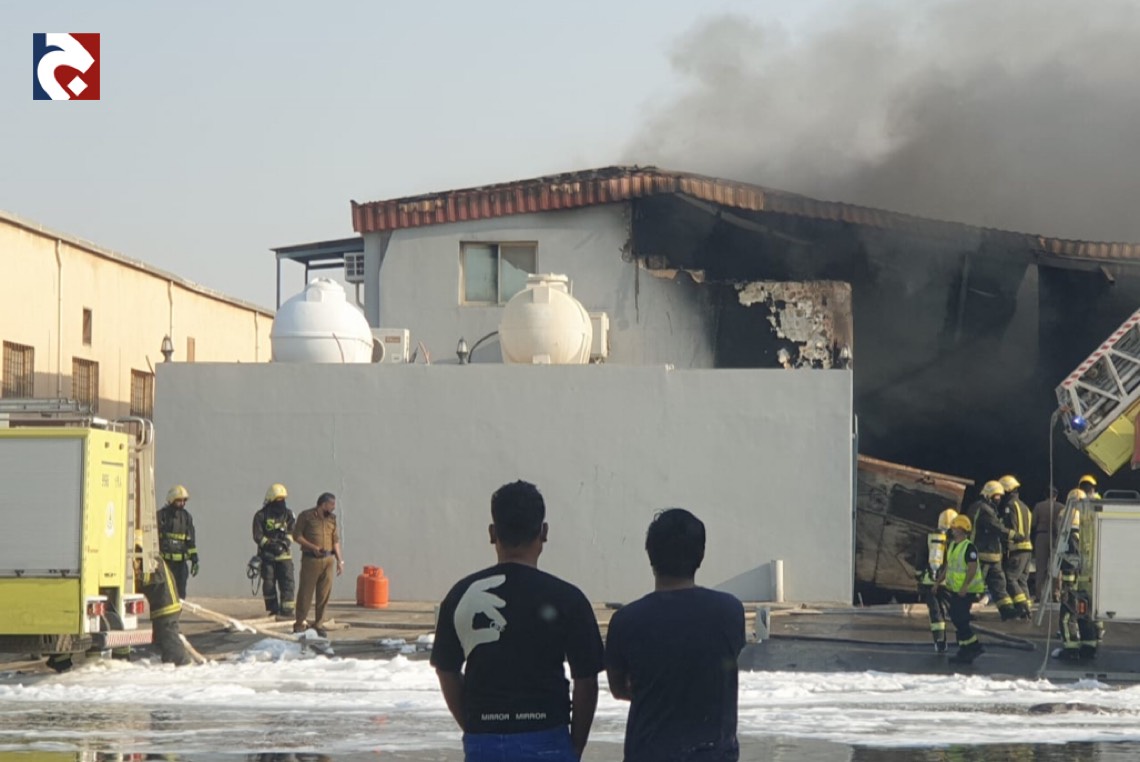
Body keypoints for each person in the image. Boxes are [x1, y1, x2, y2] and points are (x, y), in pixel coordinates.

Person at [431, 480, 604, 762]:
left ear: (492, 533)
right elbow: (586, 680)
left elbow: (446, 670)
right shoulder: (567, 598)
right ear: (544, 532)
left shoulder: (463, 595)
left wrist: (475, 725)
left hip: (484, 739)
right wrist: (575, 747)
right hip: (548, 735)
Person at [605, 508, 746, 761]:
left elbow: (618, 688)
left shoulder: (627, 620)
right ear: (700, 555)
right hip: (714, 754)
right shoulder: (730, 611)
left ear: (650, 554)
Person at [934, 514, 986, 665]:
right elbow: (948, 567)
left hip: (967, 591)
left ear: (962, 530)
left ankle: (973, 646)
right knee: (956, 617)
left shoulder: (969, 547)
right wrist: (938, 582)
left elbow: (972, 568)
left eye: (955, 528)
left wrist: (965, 586)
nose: (953, 530)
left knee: (959, 618)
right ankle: (965, 649)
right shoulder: (952, 546)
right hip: (955, 589)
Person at [292, 492, 344, 636]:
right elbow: (296, 536)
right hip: (311, 560)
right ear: (323, 504)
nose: (333, 507)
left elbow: (335, 541)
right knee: (305, 593)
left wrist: (340, 561)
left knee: (324, 594)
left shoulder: (332, 519)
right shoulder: (306, 516)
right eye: (331, 504)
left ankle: (318, 624)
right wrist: (312, 547)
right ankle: (300, 623)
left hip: (328, 561)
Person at [134, 544, 192, 666]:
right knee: (161, 637)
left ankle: (182, 662)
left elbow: (154, 578)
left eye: (137, 561)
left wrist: (137, 577)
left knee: (169, 636)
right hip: (162, 606)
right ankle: (170, 662)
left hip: (167, 606)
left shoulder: (154, 561)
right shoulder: (151, 560)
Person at [967, 480, 1017, 621]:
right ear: (988, 495)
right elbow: (996, 527)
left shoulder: (986, 508)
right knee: (974, 586)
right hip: (982, 554)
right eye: (997, 496)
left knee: (999, 585)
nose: (999, 499)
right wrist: (1013, 535)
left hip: (992, 555)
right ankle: (962, 611)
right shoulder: (984, 509)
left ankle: (1007, 610)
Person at [915, 508, 957, 653]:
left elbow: (920, 559)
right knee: (955, 610)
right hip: (947, 583)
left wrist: (919, 577)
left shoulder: (928, 538)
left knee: (936, 612)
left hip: (929, 583)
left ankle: (939, 641)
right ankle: (965, 640)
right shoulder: (955, 542)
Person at [252, 483, 296, 618]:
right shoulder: (261, 516)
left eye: (283, 499)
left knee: (287, 582)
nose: (281, 503)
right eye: (278, 500)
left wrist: (284, 544)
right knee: (269, 583)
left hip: (284, 556)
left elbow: (292, 531)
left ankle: (287, 610)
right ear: (271, 500)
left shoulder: (288, 514)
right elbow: (258, 536)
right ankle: (273, 610)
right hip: (267, 556)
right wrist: (271, 545)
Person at [998, 475, 1033, 619]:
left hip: (1017, 549)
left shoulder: (1010, 506)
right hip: (1028, 549)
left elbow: (1011, 528)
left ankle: (1022, 607)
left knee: (1010, 578)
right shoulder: (1025, 507)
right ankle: (1027, 611)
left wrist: (1006, 543)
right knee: (1022, 580)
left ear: (1007, 490)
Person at [157, 485, 199, 600]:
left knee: (180, 594)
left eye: (184, 501)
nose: (182, 503)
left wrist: (195, 560)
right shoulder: (161, 516)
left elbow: (191, 541)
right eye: (179, 500)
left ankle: (178, 611)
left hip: (181, 565)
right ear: (172, 500)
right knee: (165, 594)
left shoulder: (187, 517)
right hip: (165, 563)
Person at [1031, 487, 1064, 603]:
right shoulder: (1061, 507)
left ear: (1045, 495)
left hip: (1042, 536)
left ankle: (1039, 595)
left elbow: (1033, 523)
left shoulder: (1038, 506)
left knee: (1041, 568)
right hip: (1056, 538)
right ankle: (1056, 594)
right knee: (1056, 567)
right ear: (1056, 496)